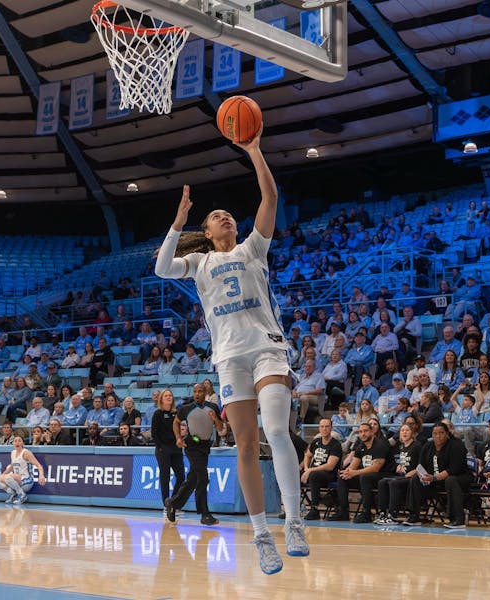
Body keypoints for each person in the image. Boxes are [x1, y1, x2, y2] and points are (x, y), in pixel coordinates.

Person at [153, 129, 308, 574]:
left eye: (227, 214)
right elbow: (163, 268)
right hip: (229, 359)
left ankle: (293, 521)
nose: (224, 217)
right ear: (206, 231)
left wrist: (255, 152)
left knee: (276, 431)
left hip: (266, 350)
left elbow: (271, 199)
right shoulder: (200, 261)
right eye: (215, 216)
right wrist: (178, 221)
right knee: (244, 445)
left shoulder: (252, 248)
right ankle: (261, 535)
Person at [164, 389, 224, 526]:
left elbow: (220, 428)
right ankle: (204, 514)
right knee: (203, 477)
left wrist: (215, 419)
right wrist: (179, 438)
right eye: (195, 391)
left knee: (193, 479)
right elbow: (176, 422)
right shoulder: (186, 408)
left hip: (205, 447)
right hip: (191, 445)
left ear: (205, 393)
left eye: (200, 391)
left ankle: (172, 503)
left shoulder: (213, 407)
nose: (197, 394)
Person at [401, 422, 471, 529]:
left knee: (450, 480)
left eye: (441, 433)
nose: (438, 436)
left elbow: (453, 469)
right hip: (434, 480)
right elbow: (420, 466)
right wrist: (423, 476)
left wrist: (434, 478)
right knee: (415, 479)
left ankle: (458, 519)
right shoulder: (428, 446)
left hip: (459, 479)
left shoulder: (456, 445)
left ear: (447, 433)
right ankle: (414, 516)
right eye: (435, 433)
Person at [327, 421, 394, 523]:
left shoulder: (380, 445)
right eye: (361, 431)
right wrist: (347, 472)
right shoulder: (361, 446)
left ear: (372, 432)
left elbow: (375, 468)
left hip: (384, 475)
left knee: (364, 477)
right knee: (342, 477)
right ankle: (343, 511)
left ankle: (367, 512)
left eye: (366, 431)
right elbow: (354, 465)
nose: (363, 434)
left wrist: (355, 473)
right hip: (367, 476)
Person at [375, 423, 422, 524]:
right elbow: (406, 462)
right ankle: (383, 513)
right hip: (403, 476)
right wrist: (399, 466)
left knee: (393, 482)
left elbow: (422, 464)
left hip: (413, 478)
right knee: (382, 482)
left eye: (407, 430)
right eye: (402, 430)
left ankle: (393, 515)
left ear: (413, 433)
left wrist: (413, 472)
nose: (404, 432)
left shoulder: (417, 446)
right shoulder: (402, 447)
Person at [301, 418, 342, 520]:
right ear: (319, 428)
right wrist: (306, 468)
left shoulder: (335, 445)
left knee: (314, 475)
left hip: (328, 474)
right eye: (322, 426)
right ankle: (294, 508)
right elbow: (307, 456)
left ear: (331, 428)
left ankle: (314, 509)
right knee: (294, 475)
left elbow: (330, 466)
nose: (324, 429)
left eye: (327, 426)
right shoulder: (315, 442)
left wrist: (310, 470)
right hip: (313, 472)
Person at [151, 389, 186, 509]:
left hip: (176, 448)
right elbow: (154, 433)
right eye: (166, 395)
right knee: (165, 477)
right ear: (161, 399)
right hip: (163, 449)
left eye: (170, 395)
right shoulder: (158, 414)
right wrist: (160, 447)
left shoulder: (177, 413)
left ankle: (173, 503)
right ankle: (166, 506)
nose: (169, 397)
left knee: (181, 476)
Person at [0, 434, 47, 504]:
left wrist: (41, 475)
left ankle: (22, 495)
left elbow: (39, 465)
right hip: (14, 480)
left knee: (8, 477)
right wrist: (2, 475)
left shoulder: (26, 453)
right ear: (13, 443)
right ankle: (13, 493)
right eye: (15, 441)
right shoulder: (13, 453)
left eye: (19, 441)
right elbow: (12, 466)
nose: (17, 443)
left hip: (27, 480)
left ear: (23, 443)